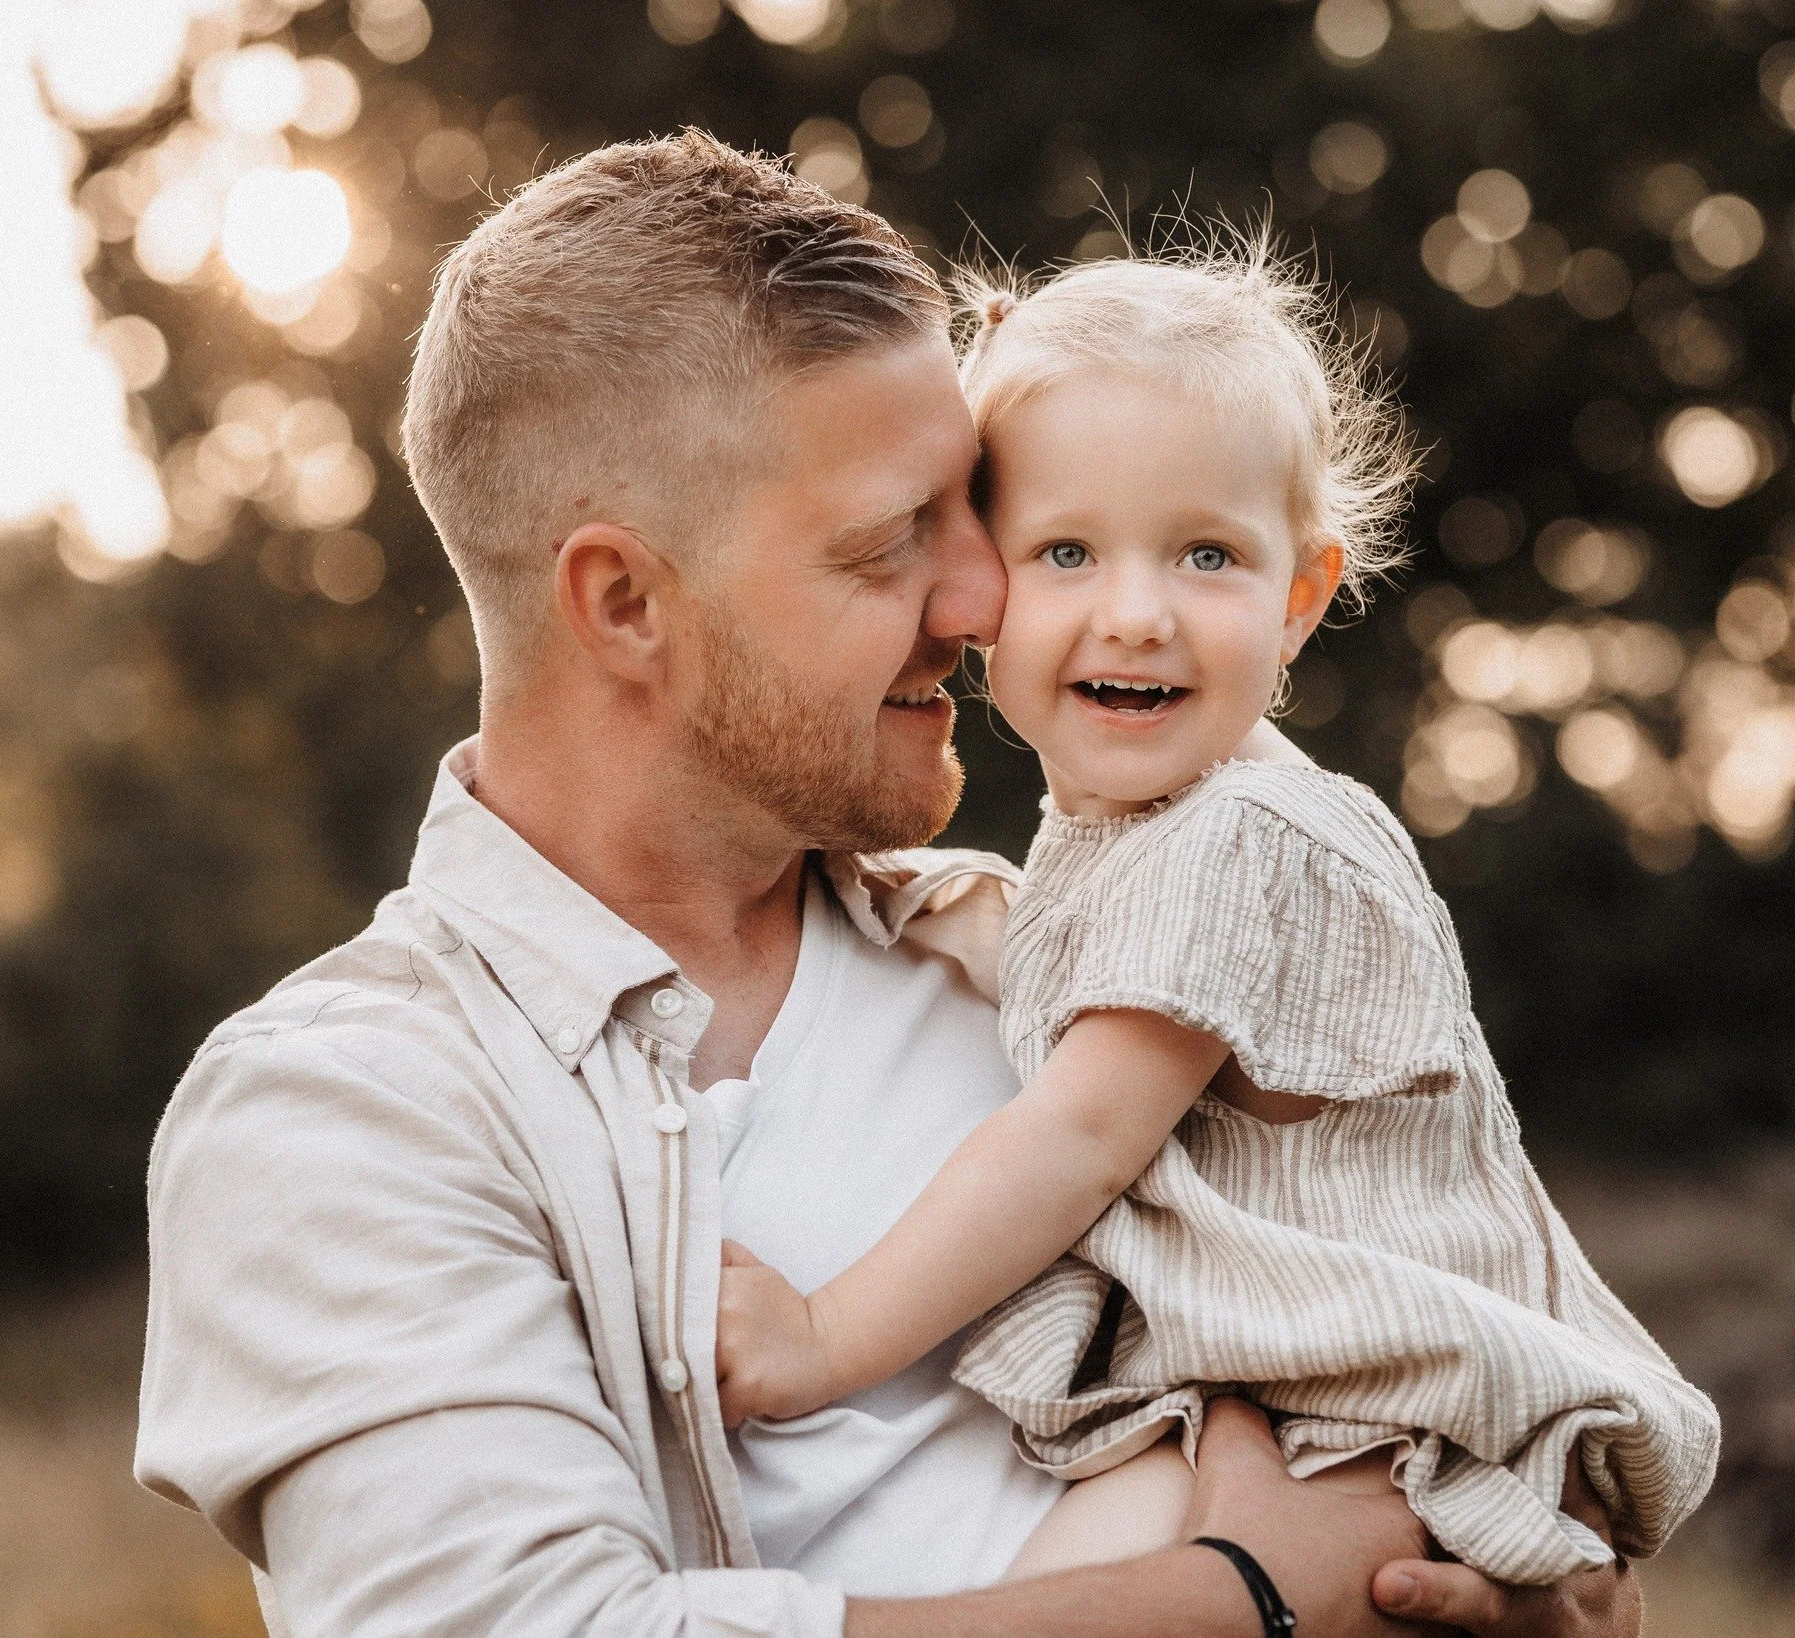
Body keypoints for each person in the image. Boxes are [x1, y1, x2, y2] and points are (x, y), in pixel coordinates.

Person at [135, 131, 1643, 1637]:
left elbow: (1494, 1352)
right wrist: (1241, 1600)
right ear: (623, 600)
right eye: (887, 546)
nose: (984, 598)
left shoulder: (1035, 949)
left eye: (973, 509)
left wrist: (1543, 1591)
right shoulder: (340, 1112)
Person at [711, 246, 1721, 1593]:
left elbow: (1073, 1133)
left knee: (1040, 1607)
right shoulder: (1170, 829)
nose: (1137, 615)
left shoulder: (1236, 841)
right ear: (979, 585)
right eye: (1066, 550)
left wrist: (822, 1339)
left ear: (1298, 598)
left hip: (1375, 1418)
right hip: (1302, 1399)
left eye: (1207, 554)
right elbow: (1075, 959)